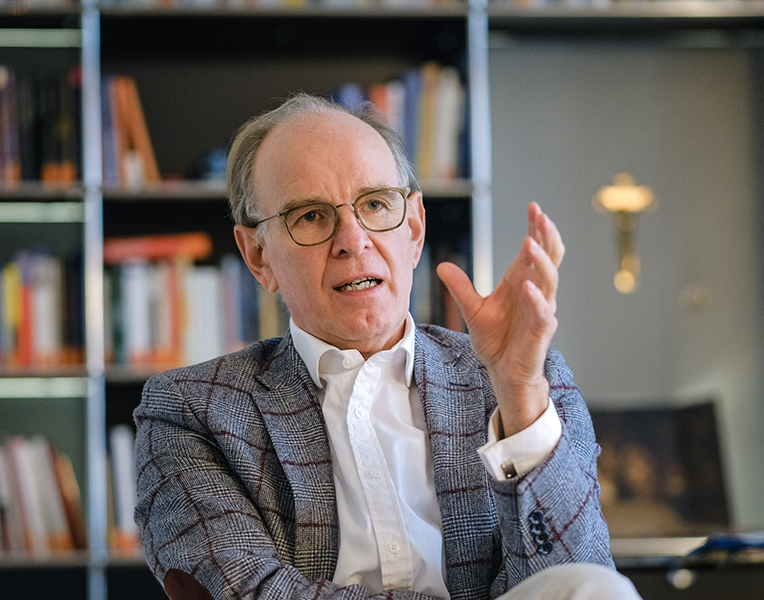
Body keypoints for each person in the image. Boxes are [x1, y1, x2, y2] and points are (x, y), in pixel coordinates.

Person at [133, 93, 641, 600]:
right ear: (258, 256)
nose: (352, 240)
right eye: (310, 216)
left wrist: (520, 398)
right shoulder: (189, 412)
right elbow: (250, 593)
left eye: (375, 204)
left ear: (414, 229)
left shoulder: (533, 381)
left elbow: (580, 578)